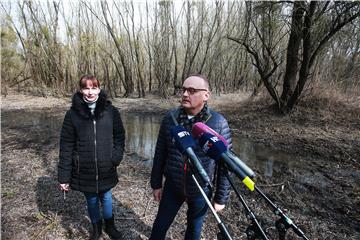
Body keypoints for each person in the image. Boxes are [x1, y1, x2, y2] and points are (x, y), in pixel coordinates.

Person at [150, 74, 232, 240]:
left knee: (194, 230)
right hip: (173, 186)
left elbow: (225, 164)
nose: (185, 94)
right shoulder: (170, 119)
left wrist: (220, 197)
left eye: (192, 90)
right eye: (184, 89)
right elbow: (160, 153)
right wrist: (156, 184)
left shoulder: (218, 123)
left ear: (206, 95)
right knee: (160, 226)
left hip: (201, 189)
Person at [58, 75, 125, 240]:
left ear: (99, 89)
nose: (90, 92)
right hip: (84, 170)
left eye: (93, 88)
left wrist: (115, 158)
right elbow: (66, 146)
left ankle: (110, 226)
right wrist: (64, 177)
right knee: (91, 199)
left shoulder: (111, 111)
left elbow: (119, 136)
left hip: (106, 167)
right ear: (81, 90)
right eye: (86, 88)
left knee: (107, 197)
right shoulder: (72, 114)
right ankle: (96, 229)